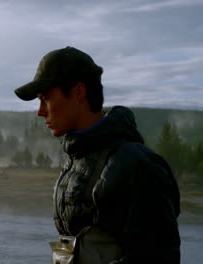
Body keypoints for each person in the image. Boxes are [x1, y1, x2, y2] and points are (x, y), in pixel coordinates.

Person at [14, 46, 180, 264]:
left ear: (79, 92)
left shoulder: (137, 164)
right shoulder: (75, 159)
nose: (40, 111)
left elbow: (160, 257)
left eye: (46, 99)